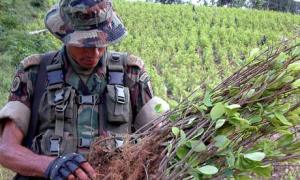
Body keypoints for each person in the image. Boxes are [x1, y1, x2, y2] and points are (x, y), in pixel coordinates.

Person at [0, 0, 169, 179]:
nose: (94, 53)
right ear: (64, 33)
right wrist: (50, 165)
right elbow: (5, 149)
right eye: (84, 44)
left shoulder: (131, 74)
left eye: (101, 42)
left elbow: (162, 139)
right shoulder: (35, 73)